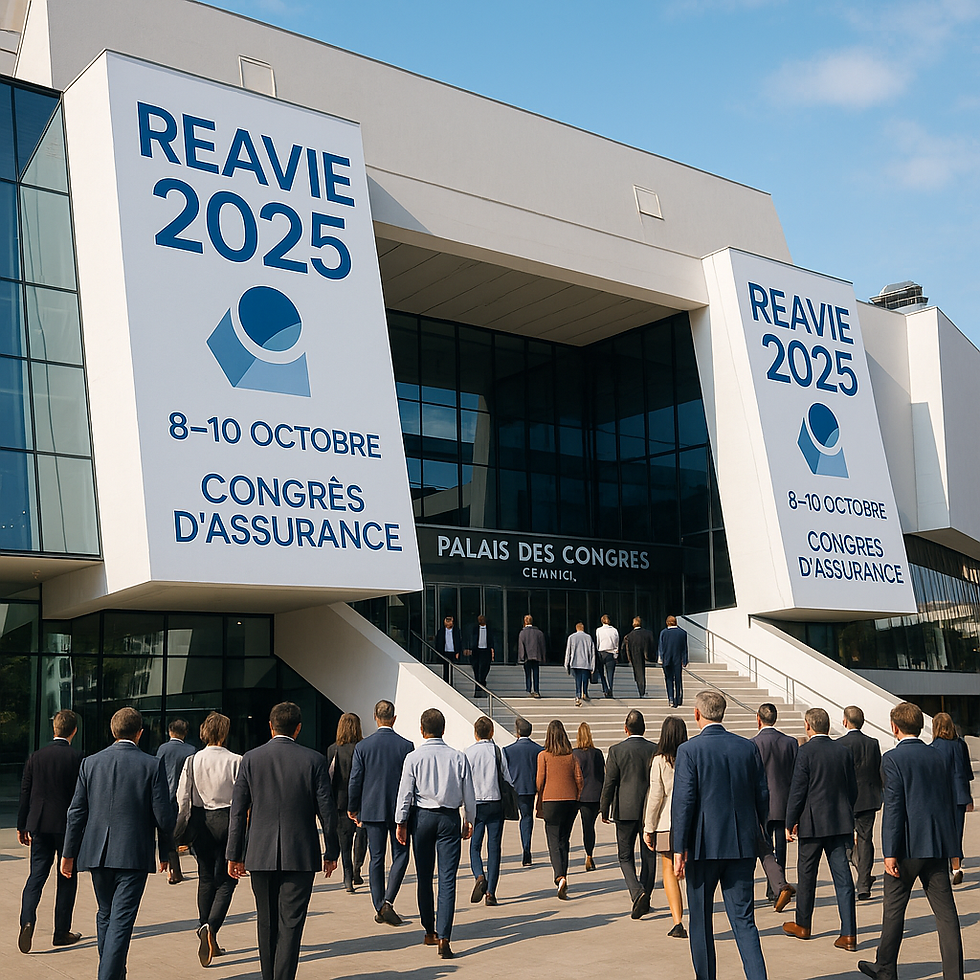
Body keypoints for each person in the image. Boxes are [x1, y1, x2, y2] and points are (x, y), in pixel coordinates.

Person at [226, 702, 339, 980]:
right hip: (301, 853)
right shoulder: (314, 760)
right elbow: (327, 810)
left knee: (266, 921)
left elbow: (238, 810)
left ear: (270, 725)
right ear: (298, 728)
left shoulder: (250, 759)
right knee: (291, 923)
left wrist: (234, 853)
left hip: (260, 851)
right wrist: (332, 851)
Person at [61, 707, 175, 980]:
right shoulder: (151, 764)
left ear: (113, 732)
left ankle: (113, 972)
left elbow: (76, 811)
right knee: (122, 920)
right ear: (140, 733)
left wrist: (68, 853)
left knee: (105, 913)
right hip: (133, 853)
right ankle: (109, 975)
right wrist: (166, 852)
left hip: (96, 852)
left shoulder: (90, 762)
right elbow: (164, 817)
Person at [858, 702, 965, 980]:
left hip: (905, 847)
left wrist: (890, 851)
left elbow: (894, 807)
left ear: (894, 728)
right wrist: (953, 847)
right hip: (936, 844)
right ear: (921, 726)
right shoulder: (939, 756)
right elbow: (947, 802)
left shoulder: (892, 759)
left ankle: (885, 969)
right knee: (946, 915)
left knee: (894, 910)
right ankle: (954, 975)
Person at [671, 690, 769, 980]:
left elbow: (684, 802)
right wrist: (756, 830)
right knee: (744, 919)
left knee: (700, 920)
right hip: (741, 844)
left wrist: (679, 848)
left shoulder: (689, 750)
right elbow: (762, 794)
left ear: (697, 714)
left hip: (702, 847)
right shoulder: (747, 747)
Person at [395, 707, 476, 959]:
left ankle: (429, 930)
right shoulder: (458, 757)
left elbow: (405, 793)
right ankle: (445, 936)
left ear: (422, 730)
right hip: (449, 818)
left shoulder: (414, 758)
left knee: (424, 876)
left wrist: (401, 821)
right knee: (447, 879)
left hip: (422, 818)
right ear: (444, 730)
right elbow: (469, 792)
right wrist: (469, 819)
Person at [782, 707, 858, 951]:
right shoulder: (843, 751)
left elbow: (798, 791)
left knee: (806, 876)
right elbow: (852, 789)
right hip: (839, 822)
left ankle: (803, 925)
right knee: (843, 878)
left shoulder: (804, 752)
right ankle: (848, 933)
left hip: (812, 824)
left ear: (808, 725)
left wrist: (789, 821)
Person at [175, 711, 241, 966]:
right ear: (224, 733)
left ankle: (205, 926)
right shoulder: (237, 760)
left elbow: (183, 798)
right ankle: (212, 928)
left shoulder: (192, 761)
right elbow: (243, 798)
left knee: (205, 878)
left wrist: (179, 830)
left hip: (201, 821)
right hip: (228, 820)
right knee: (226, 880)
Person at [17, 708, 83, 954]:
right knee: (66, 877)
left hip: (40, 824)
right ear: (73, 731)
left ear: (54, 729)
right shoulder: (77, 758)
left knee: (36, 876)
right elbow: (81, 796)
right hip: (67, 826)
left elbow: (25, 792)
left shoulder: (36, 757)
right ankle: (61, 931)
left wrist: (21, 825)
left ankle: (27, 920)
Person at [347, 699, 414, 926]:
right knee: (401, 855)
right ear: (394, 718)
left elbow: (355, 780)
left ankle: (379, 904)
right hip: (399, 811)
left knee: (376, 858)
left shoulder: (363, 747)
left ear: (375, 717)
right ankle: (388, 900)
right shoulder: (406, 746)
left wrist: (353, 807)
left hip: (372, 808)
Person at [600, 708, 658, 918]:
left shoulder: (616, 750)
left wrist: (604, 808)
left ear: (625, 729)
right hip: (649, 810)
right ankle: (646, 896)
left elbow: (610, 782)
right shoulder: (655, 749)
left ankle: (637, 892)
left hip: (624, 810)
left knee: (625, 856)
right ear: (644, 728)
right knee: (649, 854)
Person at [643, 716, 689, 938]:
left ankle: (678, 921)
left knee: (669, 871)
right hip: (691, 821)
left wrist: (648, 827)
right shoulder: (691, 756)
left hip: (666, 822)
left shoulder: (660, 760)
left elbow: (655, 796)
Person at [752, 702, 798, 905]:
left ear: (758, 718)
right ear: (776, 719)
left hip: (761, 804)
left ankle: (773, 886)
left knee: (764, 847)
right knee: (781, 847)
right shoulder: (790, 742)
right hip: (784, 801)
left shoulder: (753, 743)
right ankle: (779, 885)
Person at [464, 715, 513, 906]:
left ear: (475, 733)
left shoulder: (468, 752)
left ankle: (479, 875)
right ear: (491, 732)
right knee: (494, 848)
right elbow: (507, 777)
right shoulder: (497, 751)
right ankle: (491, 892)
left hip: (476, 803)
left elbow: (465, 780)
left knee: (475, 845)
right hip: (495, 801)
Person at [536, 719, 583, 899]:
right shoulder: (571, 756)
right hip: (570, 801)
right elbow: (579, 779)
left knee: (553, 840)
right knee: (565, 839)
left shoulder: (544, 756)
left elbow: (540, 781)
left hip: (551, 800)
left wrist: (540, 794)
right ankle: (564, 873)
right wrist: (577, 795)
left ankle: (560, 876)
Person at [840, 704, 883, 900]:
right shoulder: (873, 743)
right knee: (866, 840)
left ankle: (858, 866)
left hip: (846, 800)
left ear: (845, 721)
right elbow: (877, 770)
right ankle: (864, 881)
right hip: (868, 797)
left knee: (845, 839)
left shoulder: (840, 744)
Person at [930, 711, 974, 886]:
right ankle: (956, 866)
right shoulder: (961, 745)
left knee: (942, 831)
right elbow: (966, 772)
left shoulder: (934, 748)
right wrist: (969, 796)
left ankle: (944, 866)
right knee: (957, 832)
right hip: (960, 794)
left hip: (942, 795)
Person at [325, 712, 368, 893]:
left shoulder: (333, 749)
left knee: (345, 841)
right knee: (361, 837)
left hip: (340, 801)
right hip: (362, 801)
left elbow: (329, 779)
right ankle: (358, 870)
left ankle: (347, 876)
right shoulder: (363, 748)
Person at [156, 717, 196, 884]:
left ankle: (173, 870)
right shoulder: (192, 750)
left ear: (169, 732)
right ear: (185, 733)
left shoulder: (162, 749)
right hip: (186, 796)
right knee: (187, 831)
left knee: (167, 833)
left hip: (166, 795)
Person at [502, 717, 543, 866]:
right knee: (526, 817)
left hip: (514, 788)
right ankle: (527, 847)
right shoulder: (539, 749)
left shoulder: (507, 750)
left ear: (517, 732)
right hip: (530, 788)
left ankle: (524, 849)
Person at [573, 722, 604, 871]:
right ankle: (590, 854)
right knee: (591, 826)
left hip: (583, 795)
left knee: (587, 826)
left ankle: (589, 855)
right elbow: (602, 774)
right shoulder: (597, 753)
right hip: (596, 793)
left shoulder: (575, 753)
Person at [620, 616, 655, 698]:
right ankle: (642, 690)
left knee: (638, 674)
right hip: (646, 656)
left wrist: (624, 658)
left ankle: (641, 690)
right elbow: (652, 645)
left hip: (635, 657)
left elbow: (624, 648)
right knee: (641, 674)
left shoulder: (629, 636)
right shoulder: (648, 633)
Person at [658, 615, 688, 707]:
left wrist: (660, 659)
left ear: (667, 622)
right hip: (678, 659)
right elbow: (684, 648)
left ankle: (670, 698)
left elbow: (661, 647)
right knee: (678, 679)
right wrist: (685, 660)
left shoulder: (663, 633)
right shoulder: (682, 633)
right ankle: (678, 698)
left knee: (669, 679)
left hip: (667, 659)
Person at [564, 621, 596, 706]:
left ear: (576, 628)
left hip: (575, 662)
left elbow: (568, 651)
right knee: (585, 679)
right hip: (585, 662)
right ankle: (584, 692)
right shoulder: (588, 637)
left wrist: (566, 663)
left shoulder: (571, 637)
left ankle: (578, 694)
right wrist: (593, 665)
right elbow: (592, 652)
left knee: (577, 679)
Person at [465, 614, 496, 697]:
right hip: (476, 651)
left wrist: (492, 652)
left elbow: (492, 641)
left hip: (486, 651)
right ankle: (478, 688)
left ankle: (482, 683)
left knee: (485, 668)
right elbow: (470, 639)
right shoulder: (474, 629)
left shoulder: (489, 629)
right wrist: (469, 649)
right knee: (476, 668)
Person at [517, 614, 545, 697]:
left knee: (528, 674)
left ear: (525, 622)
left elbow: (521, 646)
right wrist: (543, 656)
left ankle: (528, 689)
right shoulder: (539, 633)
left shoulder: (522, 633)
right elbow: (542, 645)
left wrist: (521, 657)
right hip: (536, 656)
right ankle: (536, 690)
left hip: (527, 657)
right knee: (536, 673)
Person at [595, 614, 620, 698]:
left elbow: (598, 642)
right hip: (611, 653)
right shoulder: (614, 630)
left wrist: (598, 649)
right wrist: (616, 654)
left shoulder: (598, 630)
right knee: (610, 673)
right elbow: (617, 642)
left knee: (601, 673)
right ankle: (610, 688)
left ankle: (605, 688)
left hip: (602, 652)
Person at [434, 615, 462, 684]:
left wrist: (458, 651)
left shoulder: (456, 631)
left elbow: (458, 641)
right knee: (446, 668)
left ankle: (451, 682)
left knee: (452, 667)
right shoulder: (441, 631)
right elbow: (438, 642)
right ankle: (446, 682)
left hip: (453, 651)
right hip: (445, 651)